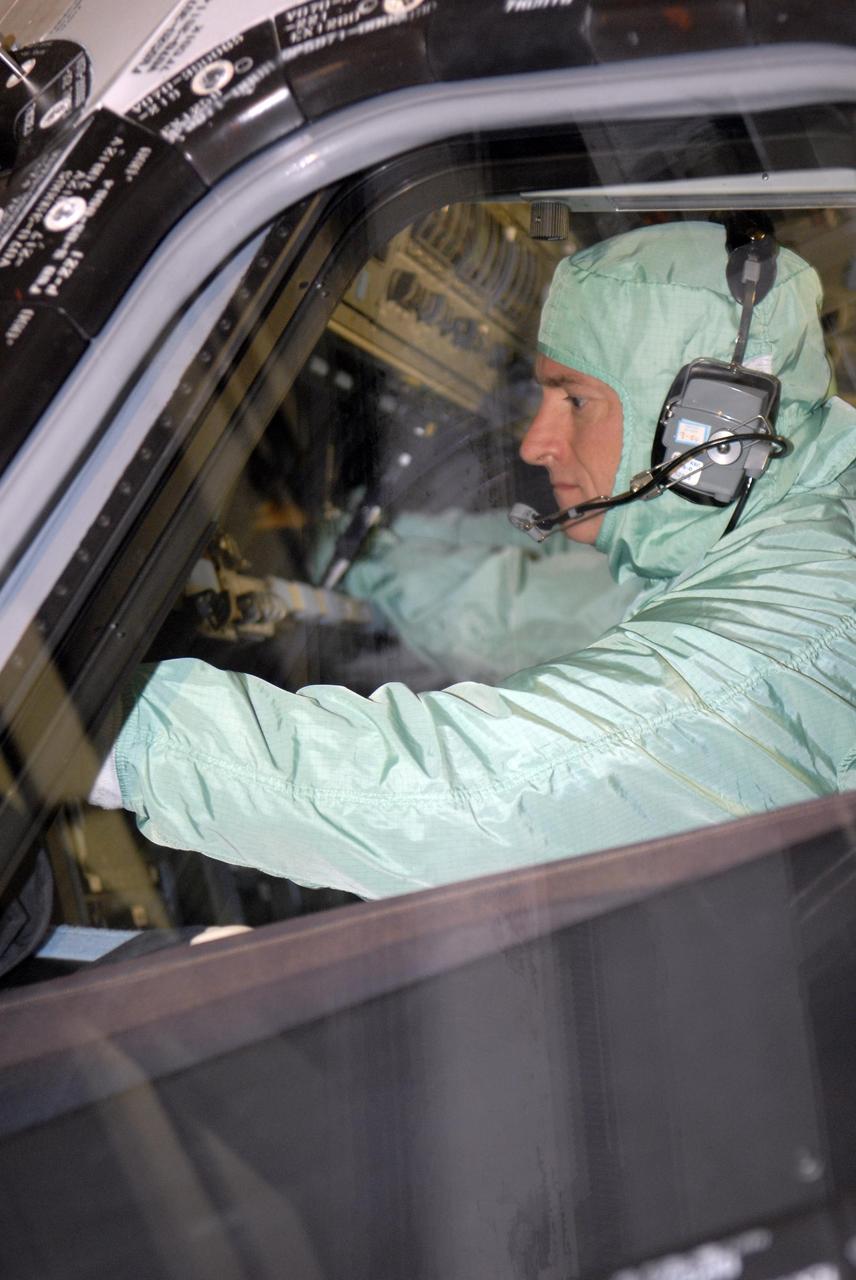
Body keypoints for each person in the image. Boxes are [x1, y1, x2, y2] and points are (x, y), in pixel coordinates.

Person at [91, 221, 856, 898]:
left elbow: (476, 796)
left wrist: (91, 730)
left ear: (708, 427)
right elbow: (540, 591)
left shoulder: (796, 628)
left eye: (574, 399)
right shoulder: (791, 521)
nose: (535, 442)